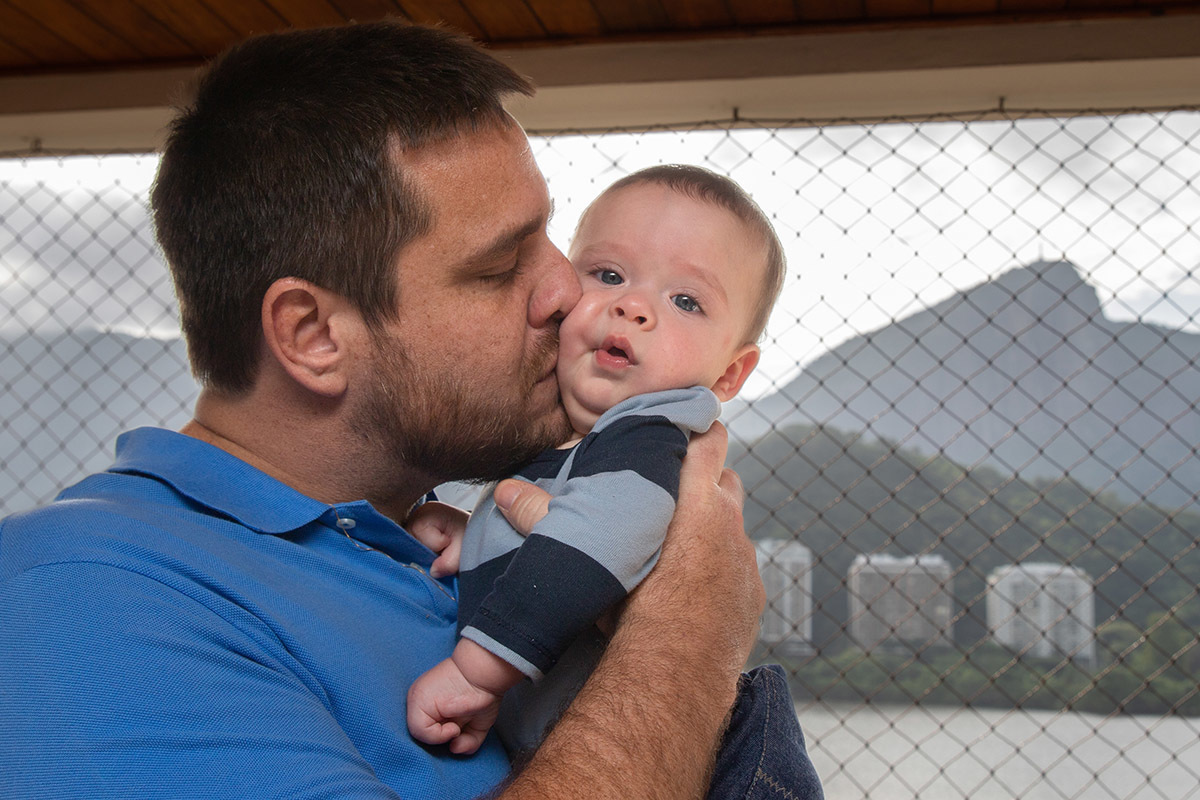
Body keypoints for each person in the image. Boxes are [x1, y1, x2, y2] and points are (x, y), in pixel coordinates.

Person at [0, 20, 767, 800]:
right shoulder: (76, 594)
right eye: (502, 265)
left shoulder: (427, 540)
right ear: (314, 336)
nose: (569, 290)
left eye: (550, 237)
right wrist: (685, 634)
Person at [406, 166, 823, 799]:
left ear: (729, 374)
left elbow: (598, 543)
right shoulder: (585, 444)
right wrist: (483, 533)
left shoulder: (647, 436)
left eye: (686, 301)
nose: (633, 306)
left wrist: (475, 673)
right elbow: (566, 531)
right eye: (607, 275)